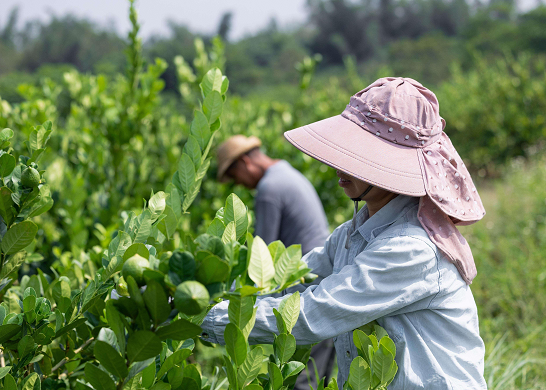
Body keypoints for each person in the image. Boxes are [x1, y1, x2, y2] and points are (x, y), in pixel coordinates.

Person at [202, 77, 488, 389]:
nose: (338, 164)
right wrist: (198, 296)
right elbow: (288, 281)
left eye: (356, 152)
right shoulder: (353, 233)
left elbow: (314, 312)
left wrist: (203, 320)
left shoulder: (410, 247)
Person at [216, 135, 336, 389]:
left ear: (245, 163)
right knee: (319, 377)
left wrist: (230, 296)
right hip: (326, 280)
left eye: (236, 177)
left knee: (301, 379)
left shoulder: (269, 189)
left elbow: (263, 257)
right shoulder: (286, 172)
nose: (240, 185)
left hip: (305, 288)